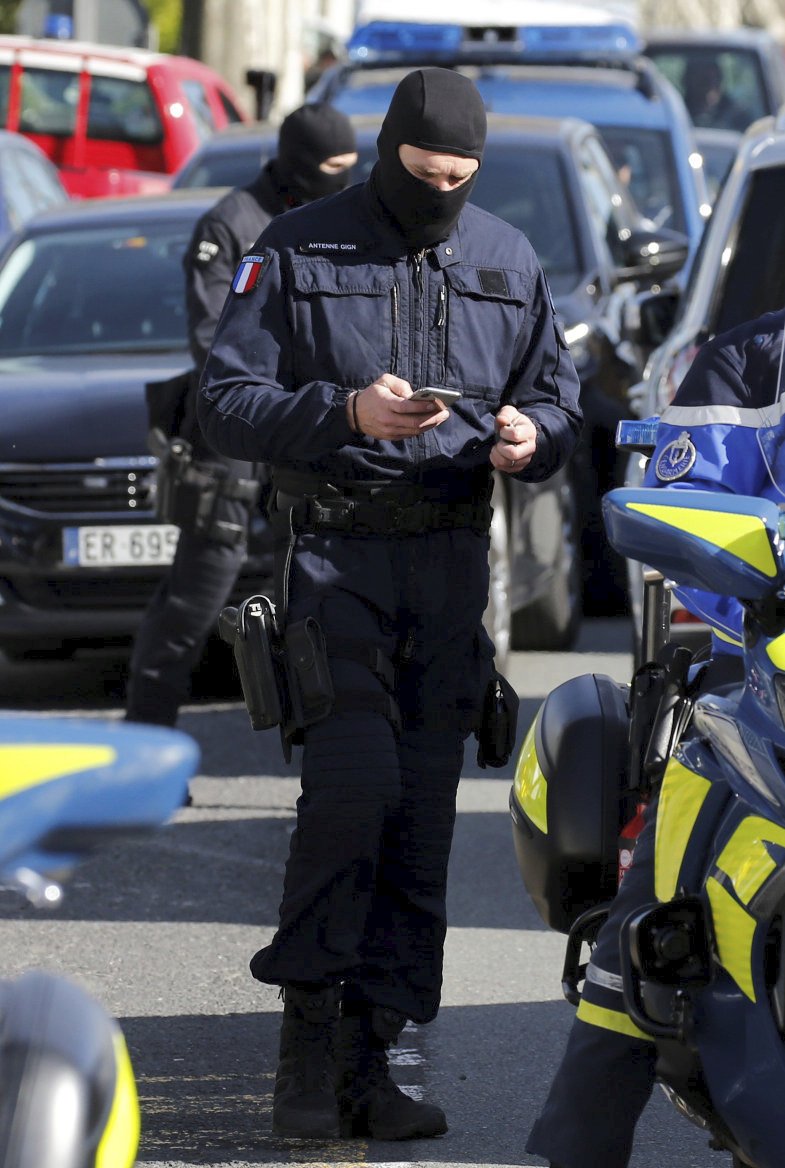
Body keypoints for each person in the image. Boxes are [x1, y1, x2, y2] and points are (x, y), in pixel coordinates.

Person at [197, 67, 582, 1141]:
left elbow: (557, 403)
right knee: (349, 798)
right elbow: (223, 401)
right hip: (337, 568)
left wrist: (531, 437)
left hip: (452, 572)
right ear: (388, 156)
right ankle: (306, 1055)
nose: (439, 193)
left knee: (416, 827)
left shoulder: (506, 258)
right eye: (422, 175)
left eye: (459, 179)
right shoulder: (298, 245)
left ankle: (376, 1061)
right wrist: (344, 413)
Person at [526, 306, 785, 1168]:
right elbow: (681, 515)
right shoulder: (751, 361)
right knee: (654, 898)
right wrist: (760, 601)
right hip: (760, 669)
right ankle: (579, 1145)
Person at [125, 103, 358, 727]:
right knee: (193, 603)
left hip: (309, 437)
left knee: (312, 597)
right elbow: (214, 340)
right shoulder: (231, 224)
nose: (342, 179)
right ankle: (147, 747)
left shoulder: (337, 222)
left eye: (350, 169)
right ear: (298, 162)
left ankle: (316, 749)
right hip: (231, 438)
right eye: (331, 168)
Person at [683, 57, 751, 132]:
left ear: (719, 79)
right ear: (687, 81)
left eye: (709, 80)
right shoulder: (677, 112)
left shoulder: (737, 115)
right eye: (701, 81)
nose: (705, 88)